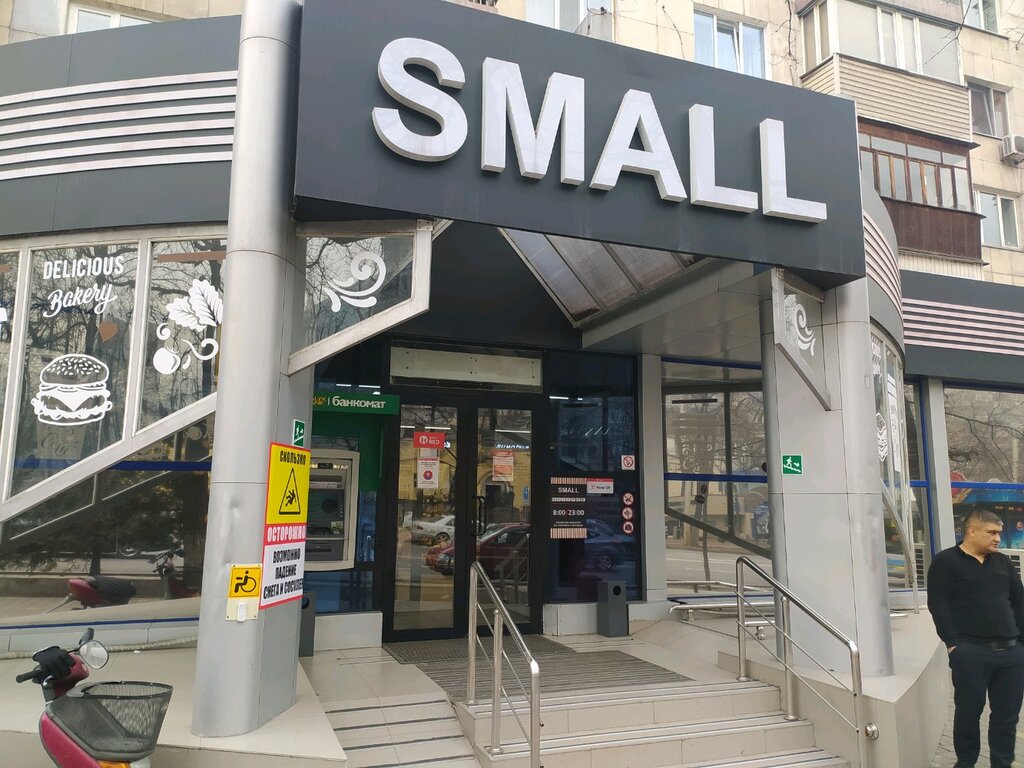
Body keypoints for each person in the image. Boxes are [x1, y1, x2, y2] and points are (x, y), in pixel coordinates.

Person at [928, 509, 1024, 768]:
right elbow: (938, 605)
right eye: (992, 533)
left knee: (1007, 718)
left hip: (1011, 654)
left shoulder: (1003, 563)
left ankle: (1002, 764)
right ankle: (966, 762)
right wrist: (953, 645)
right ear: (971, 531)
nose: (998, 538)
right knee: (968, 713)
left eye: (999, 533)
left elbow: (1019, 603)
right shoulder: (946, 562)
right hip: (970, 652)